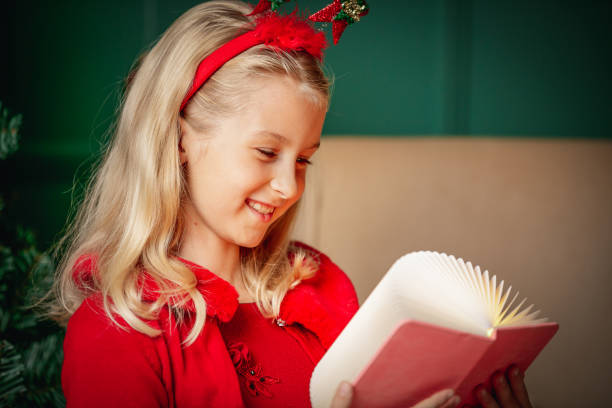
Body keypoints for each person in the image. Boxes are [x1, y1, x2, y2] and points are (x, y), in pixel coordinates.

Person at [51, 1, 533, 407]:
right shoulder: (117, 330)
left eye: (303, 161)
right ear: (179, 138)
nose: (289, 187)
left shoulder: (318, 288)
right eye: (266, 152)